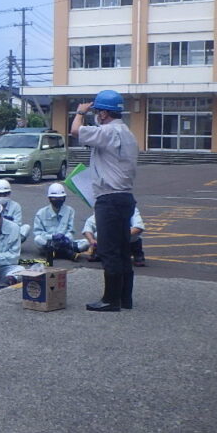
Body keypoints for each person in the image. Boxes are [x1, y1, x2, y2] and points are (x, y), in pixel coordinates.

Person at [71, 90, 139, 312]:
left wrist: (80, 112)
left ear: (103, 113)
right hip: (125, 197)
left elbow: (75, 131)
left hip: (109, 199)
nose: (97, 115)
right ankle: (125, 298)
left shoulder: (108, 132)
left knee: (108, 250)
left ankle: (110, 300)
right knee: (122, 249)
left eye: (98, 112)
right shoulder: (128, 133)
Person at [32, 183, 83, 263]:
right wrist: (52, 237)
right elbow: (38, 232)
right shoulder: (41, 213)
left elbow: (71, 231)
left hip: (64, 241)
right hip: (49, 242)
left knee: (85, 243)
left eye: (60, 198)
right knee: (37, 239)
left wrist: (65, 238)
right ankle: (65, 252)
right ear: (49, 198)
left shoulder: (70, 211)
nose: (58, 200)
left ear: (64, 198)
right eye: (55, 198)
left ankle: (55, 252)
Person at [82, 207, 146, 266]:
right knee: (97, 234)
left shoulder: (130, 208)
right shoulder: (102, 209)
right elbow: (88, 227)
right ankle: (100, 251)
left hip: (126, 238)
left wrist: (119, 236)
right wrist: (91, 240)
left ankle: (137, 253)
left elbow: (138, 227)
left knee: (133, 234)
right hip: (109, 239)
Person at [0, 178, 31, 242]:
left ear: (9, 193)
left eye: (5, 194)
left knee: (26, 228)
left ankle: (10, 243)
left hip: (10, 234)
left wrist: (2, 223)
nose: (2, 197)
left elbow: (17, 225)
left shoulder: (16, 206)